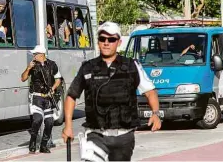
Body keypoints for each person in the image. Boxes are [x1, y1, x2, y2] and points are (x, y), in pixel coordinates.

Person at [62, 21, 161, 161]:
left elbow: (150, 91)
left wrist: (155, 113)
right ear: (98, 42)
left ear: (119, 42)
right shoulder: (87, 68)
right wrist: (68, 126)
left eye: (111, 39)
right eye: (102, 39)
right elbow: (71, 96)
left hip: (124, 136)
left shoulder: (132, 66)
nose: (106, 43)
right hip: (95, 135)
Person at [21, 45, 62, 154]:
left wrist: (53, 88)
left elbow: (58, 79)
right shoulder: (33, 66)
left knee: (49, 122)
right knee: (38, 120)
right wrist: (28, 68)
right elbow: (23, 78)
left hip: (47, 98)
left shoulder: (52, 65)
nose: (33, 56)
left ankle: (44, 145)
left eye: (35, 54)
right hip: (36, 97)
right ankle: (33, 142)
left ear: (41, 55)